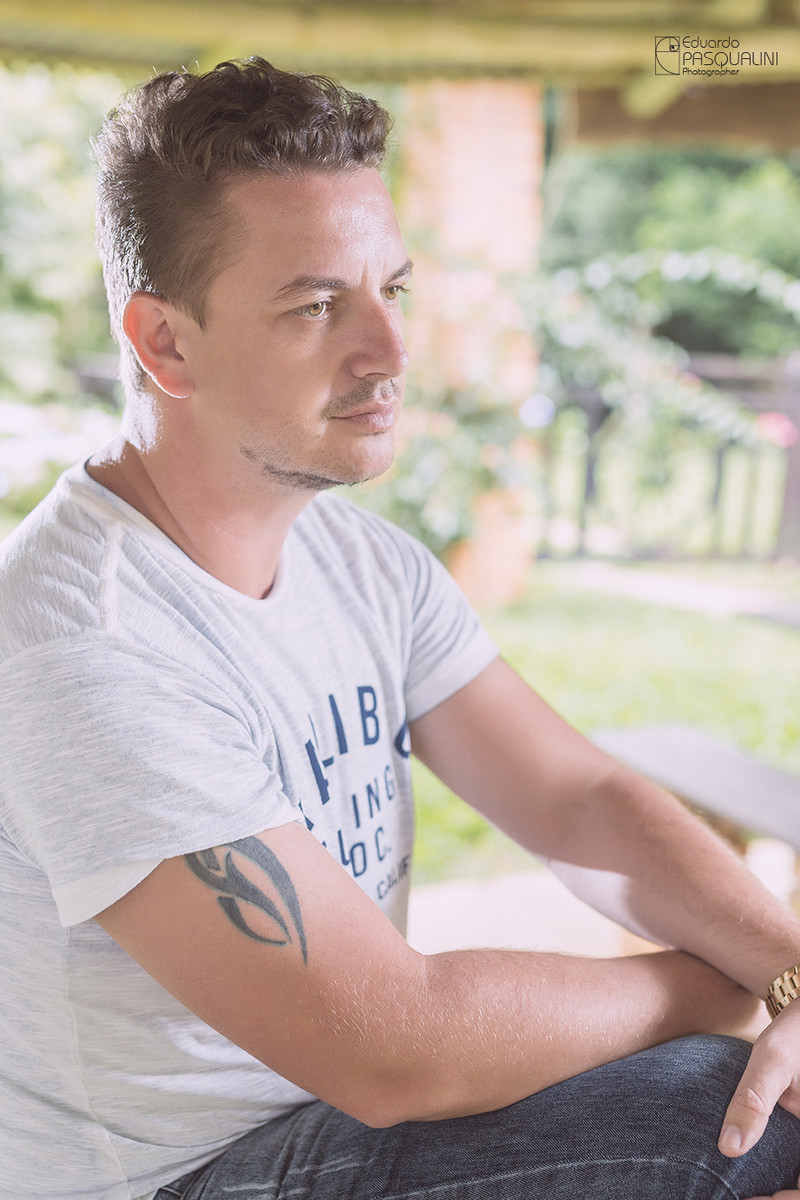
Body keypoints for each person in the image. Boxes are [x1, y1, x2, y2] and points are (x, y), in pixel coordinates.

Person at [0, 56, 799, 1200]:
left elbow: (575, 801)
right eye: (316, 305)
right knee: (715, 1111)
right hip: (173, 1177)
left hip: (330, 1119)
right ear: (164, 343)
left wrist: (790, 980)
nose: (388, 351)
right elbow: (395, 1049)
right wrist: (723, 991)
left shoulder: (357, 559)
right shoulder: (82, 646)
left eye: (394, 290)